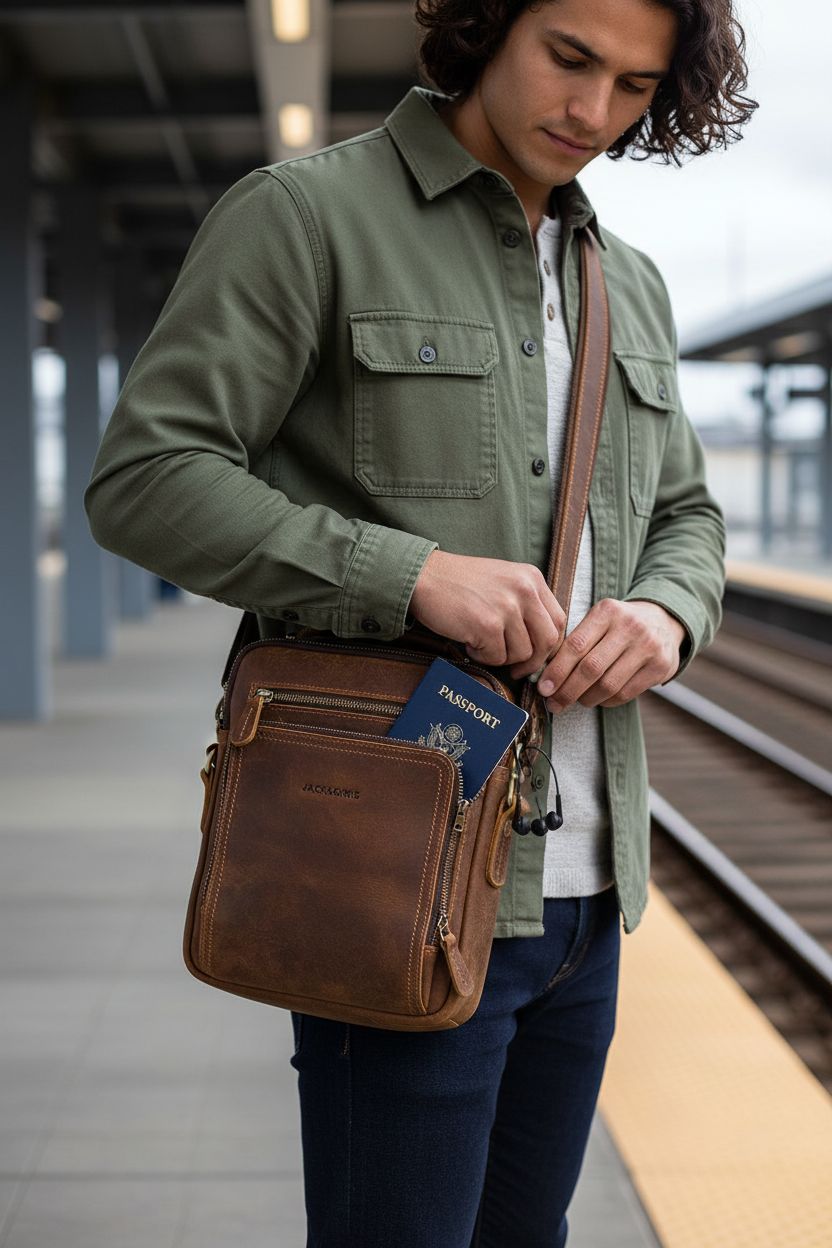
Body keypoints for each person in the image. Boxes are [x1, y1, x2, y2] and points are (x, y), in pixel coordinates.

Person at [84, 0, 756, 1241]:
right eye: (568, 59)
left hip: (586, 895)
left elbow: (688, 517)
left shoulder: (632, 284)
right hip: (389, 864)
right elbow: (145, 480)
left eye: (631, 86)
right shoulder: (307, 216)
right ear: (489, 25)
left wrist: (667, 612)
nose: (591, 112)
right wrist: (409, 574)